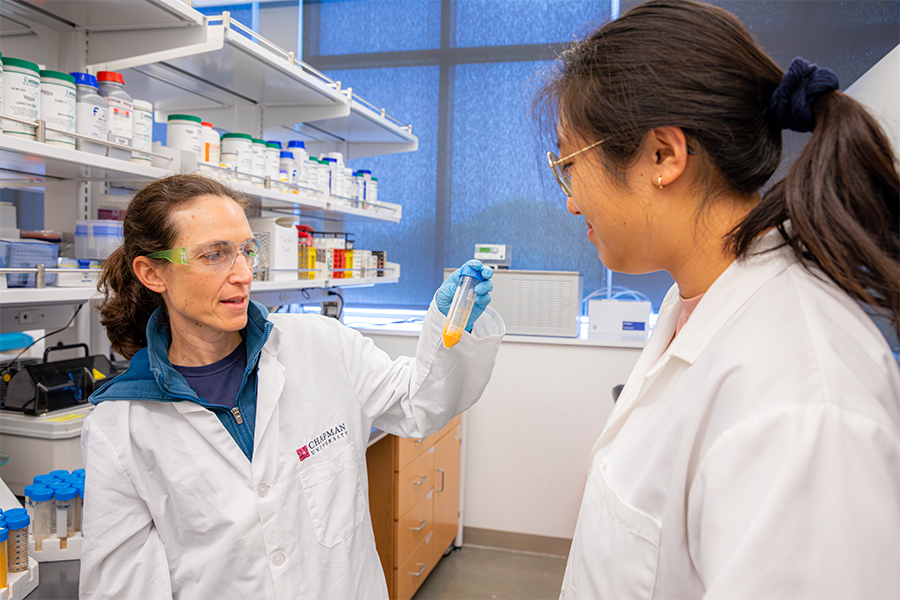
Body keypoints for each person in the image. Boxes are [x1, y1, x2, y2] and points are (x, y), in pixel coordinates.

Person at [533, 0, 899, 597]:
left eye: (569, 167)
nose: (572, 202)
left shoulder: (800, 406)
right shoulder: (696, 303)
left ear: (663, 155)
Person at [78, 174, 505, 599]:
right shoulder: (120, 427)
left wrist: (455, 324)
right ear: (152, 273)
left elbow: (420, 402)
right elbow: (122, 587)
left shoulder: (321, 343)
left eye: (247, 250)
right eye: (215, 255)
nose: (243, 273)